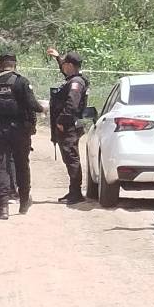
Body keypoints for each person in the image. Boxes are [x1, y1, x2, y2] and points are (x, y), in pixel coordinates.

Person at [0, 52, 44, 220]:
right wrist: (43, 108)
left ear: (0, 64)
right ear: (15, 65)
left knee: (1, 166)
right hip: (20, 130)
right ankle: (23, 202)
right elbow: (32, 105)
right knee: (22, 164)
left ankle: (3, 208)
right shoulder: (21, 82)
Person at [46, 48, 89, 205]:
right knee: (69, 158)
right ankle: (73, 191)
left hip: (69, 127)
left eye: (65, 63)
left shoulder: (76, 83)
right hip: (68, 126)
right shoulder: (73, 79)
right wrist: (57, 58)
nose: (63, 65)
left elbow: (72, 103)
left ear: (70, 65)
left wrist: (62, 121)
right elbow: (66, 73)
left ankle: (76, 193)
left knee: (71, 158)